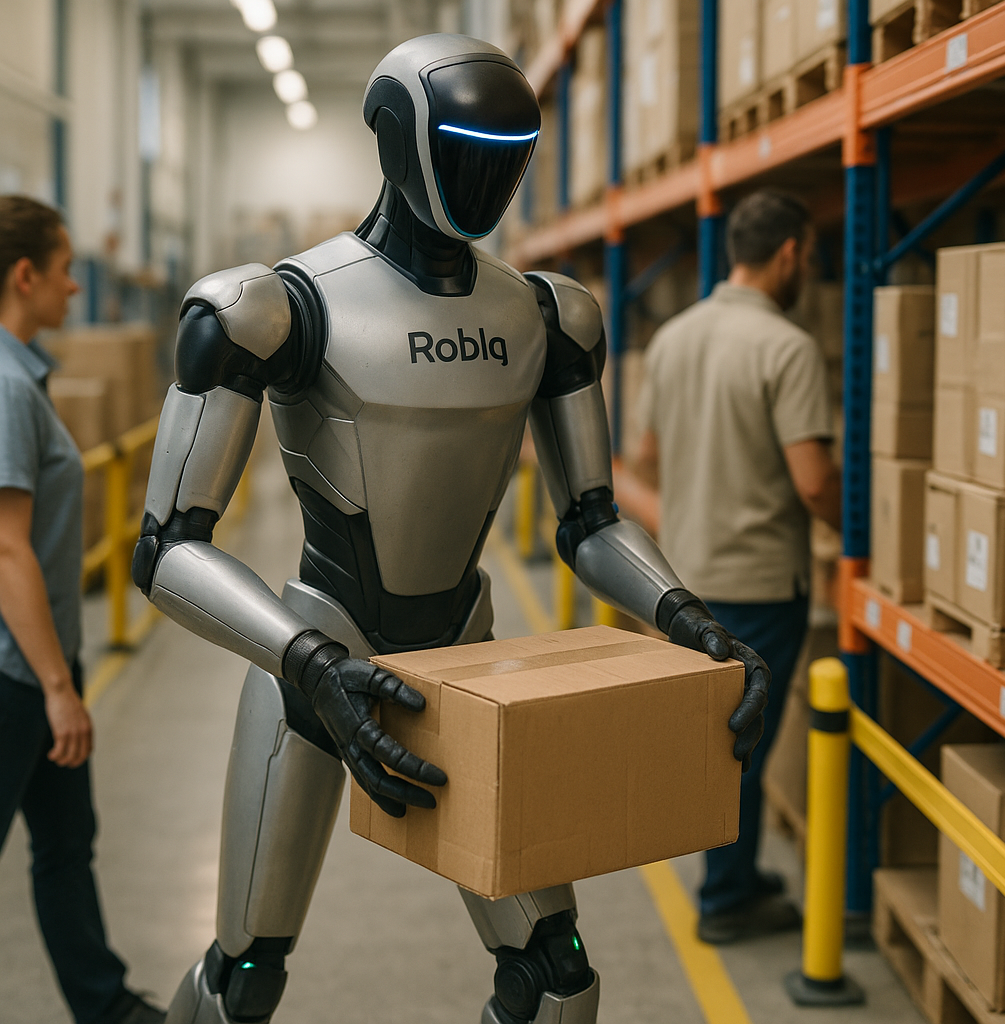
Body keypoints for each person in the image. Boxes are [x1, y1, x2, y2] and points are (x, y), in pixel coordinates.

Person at [133, 34, 771, 1024]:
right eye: (465, 151)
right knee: (244, 976)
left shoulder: (545, 314)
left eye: (506, 157)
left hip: (463, 679)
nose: (485, 180)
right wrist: (307, 662)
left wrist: (689, 621)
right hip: (313, 667)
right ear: (397, 136)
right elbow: (167, 546)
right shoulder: (275, 307)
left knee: (557, 979)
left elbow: (589, 522)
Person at [636, 189, 842, 945]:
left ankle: (737, 878)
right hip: (760, 582)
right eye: (809, 257)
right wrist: (869, 538)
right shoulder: (786, 346)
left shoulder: (674, 338)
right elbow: (814, 483)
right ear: (789, 253)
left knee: (717, 744)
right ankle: (726, 899)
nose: (808, 272)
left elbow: (644, 459)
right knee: (742, 745)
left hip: (686, 583)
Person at [0, 195, 166, 1024]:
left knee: (67, 846)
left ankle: (107, 1008)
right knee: (60, 847)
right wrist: (59, 689)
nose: (75, 287)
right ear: (24, 275)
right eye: (66, 271)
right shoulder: (5, 388)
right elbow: (6, 550)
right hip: (16, 675)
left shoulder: (23, 376)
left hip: (42, 662)